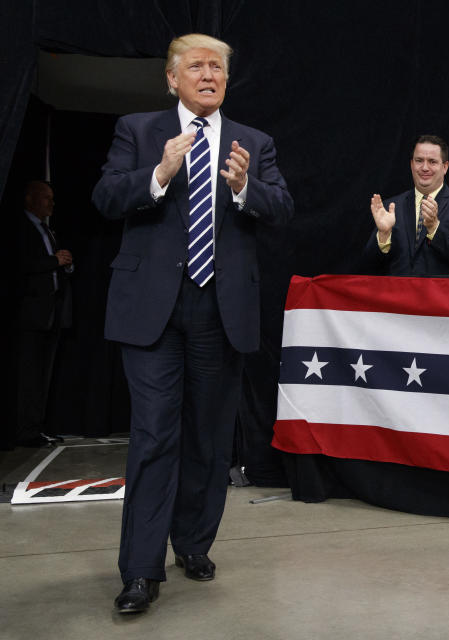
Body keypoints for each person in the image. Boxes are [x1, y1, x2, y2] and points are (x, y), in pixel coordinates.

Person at [91, 33, 294, 614]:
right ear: (172, 78)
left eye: (218, 68)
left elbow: (282, 208)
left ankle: (194, 543)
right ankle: (139, 570)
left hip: (220, 311)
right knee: (155, 436)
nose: (209, 75)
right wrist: (157, 175)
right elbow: (106, 196)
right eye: (197, 66)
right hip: (152, 309)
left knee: (208, 439)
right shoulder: (138, 130)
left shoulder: (254, 143)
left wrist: (243, 188)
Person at [363, 135, 449, 275]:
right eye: (419, 161)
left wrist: (434, 228)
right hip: (398, 294)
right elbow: (369, 264)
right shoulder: (391, 206)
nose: (425, 167)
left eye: (432, 162)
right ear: (412, 164)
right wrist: (384, 235)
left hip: (440, 295)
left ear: (445, 167)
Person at [15, 180, 73, 448]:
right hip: (29, 316)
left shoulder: (47, 230)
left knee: (43, 375)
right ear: (30, 199)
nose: (51, 203)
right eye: (46, 198)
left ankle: (36, 426)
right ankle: (25, 429)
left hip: (51, 315)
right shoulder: (21, 229)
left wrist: (65, 264)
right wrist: (53, 261)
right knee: (28, 376)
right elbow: (19, 263)